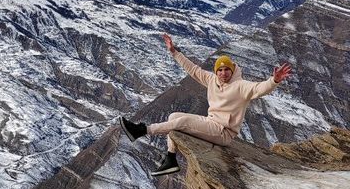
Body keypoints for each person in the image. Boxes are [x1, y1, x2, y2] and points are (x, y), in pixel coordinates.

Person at [120, 33, 292, 176]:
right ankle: (171, 159)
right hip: (211, 123)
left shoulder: (241, 86)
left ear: (232, 70)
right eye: (220, 70)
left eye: (227, 69)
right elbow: (193, 69)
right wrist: (174, 52)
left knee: (181, 122)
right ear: (216, 71)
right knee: (174, 116)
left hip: (224, 132)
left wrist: (274, 80)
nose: (223, 73)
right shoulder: (211, 80)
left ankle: (142, 130)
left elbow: (260, 89)